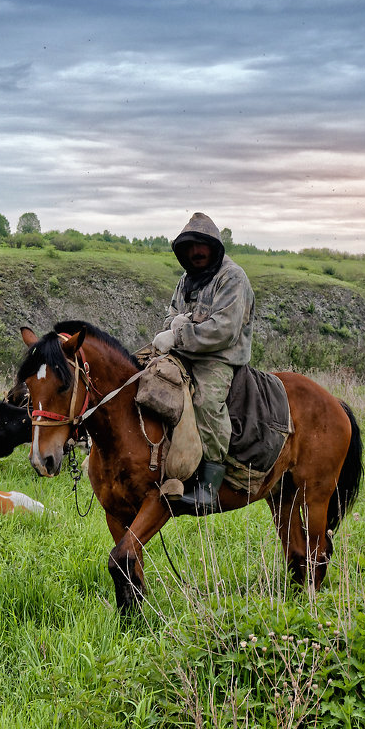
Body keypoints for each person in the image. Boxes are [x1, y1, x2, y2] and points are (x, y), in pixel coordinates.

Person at [151, 212, 254, 515]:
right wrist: (175, 325)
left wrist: (180, 333)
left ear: (214, 247)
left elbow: (224, 329)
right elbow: (171, 313)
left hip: (218, 357)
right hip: (185, 351)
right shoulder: (186, 280)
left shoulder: (232, 277)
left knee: (206, 401)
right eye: (189, 248)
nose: (195, 252)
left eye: (201, 246)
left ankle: (209, 484)